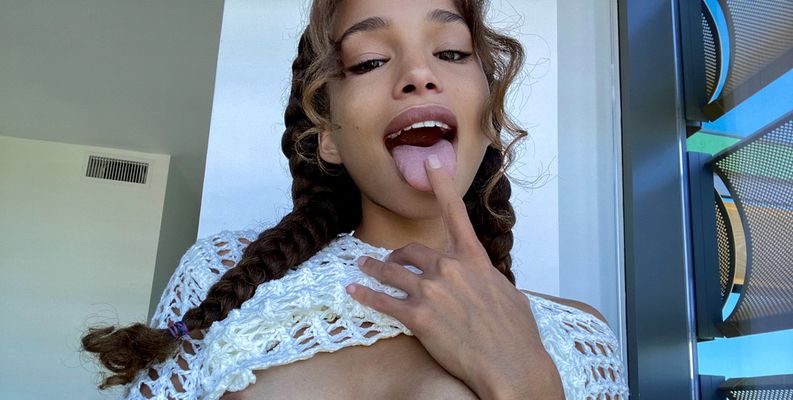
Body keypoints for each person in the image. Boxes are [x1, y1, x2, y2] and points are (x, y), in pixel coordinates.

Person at [82, 0, 629, 398]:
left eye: (451, 52)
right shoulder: (220, 274)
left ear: (489, 120)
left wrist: (526, 380)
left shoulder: (581, 338)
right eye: (369, 61)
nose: (419, 74)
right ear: (329, 137)